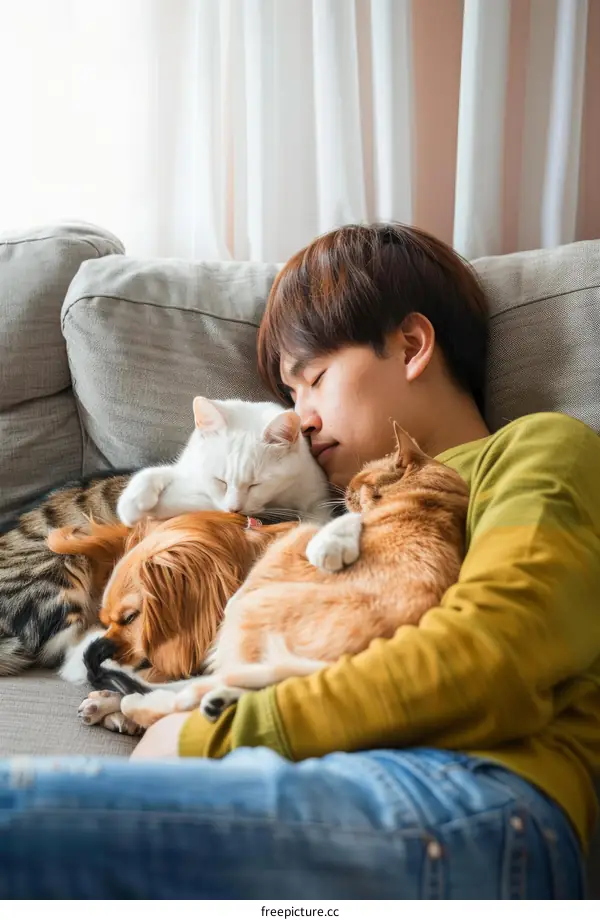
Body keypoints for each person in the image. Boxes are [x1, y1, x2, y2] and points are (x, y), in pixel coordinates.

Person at [0, 223, 597, 899]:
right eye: (289, 398)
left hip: (466, 795)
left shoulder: (537, 449)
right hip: (330, 783)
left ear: (410, 346)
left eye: (312, 380)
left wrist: (209, 730)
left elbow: (498, 654)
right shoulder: (335, 521)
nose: (301, 419)